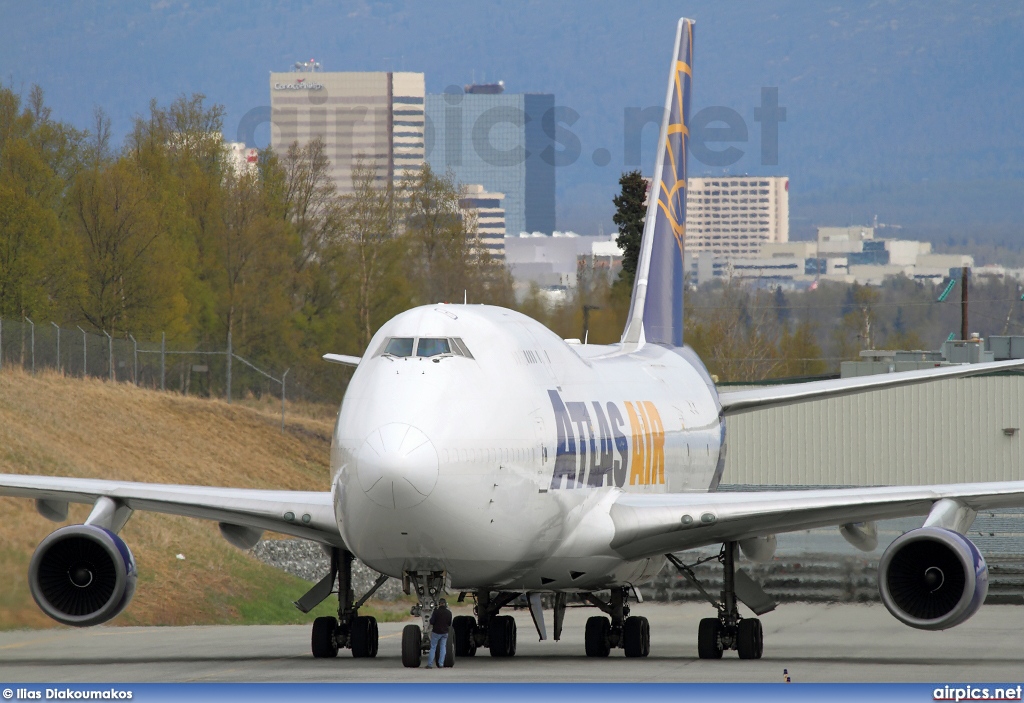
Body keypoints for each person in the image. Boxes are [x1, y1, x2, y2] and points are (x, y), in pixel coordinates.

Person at [426, 598, 453, 669]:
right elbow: (449, 623)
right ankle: (441, 664)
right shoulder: (449, 613)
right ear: (445, 604)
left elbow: (432, 622)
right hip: (445, 632)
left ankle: (430, 664)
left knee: (433, 648)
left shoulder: (436, 612)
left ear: (439, 604)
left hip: (436, 632)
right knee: (443, 648)